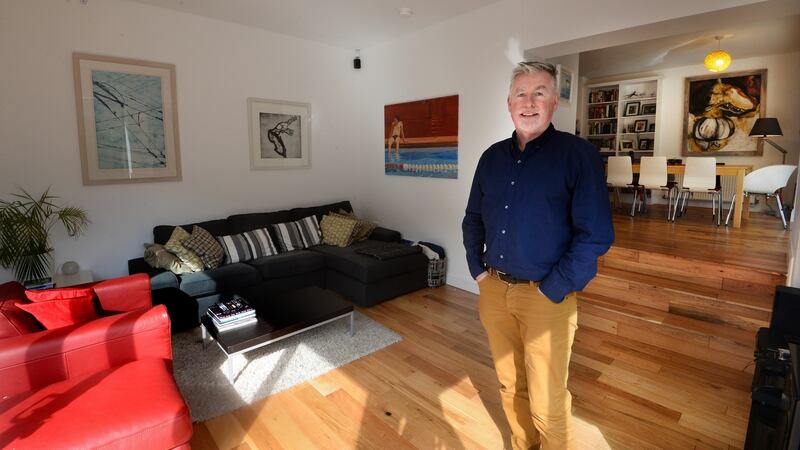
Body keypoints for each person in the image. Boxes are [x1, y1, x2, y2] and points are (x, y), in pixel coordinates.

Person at [462, 61, 614, 450]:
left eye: (539, 93)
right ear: (508, 103)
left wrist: (554, 288)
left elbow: (595, 235)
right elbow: (473, 219)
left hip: (547, 296)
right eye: (521, 94)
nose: (529, 103)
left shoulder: (578, 155)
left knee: (547, 399)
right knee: (510, 383)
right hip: (494, 290)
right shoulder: (491, 158)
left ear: (554, 102)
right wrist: (478, 272)